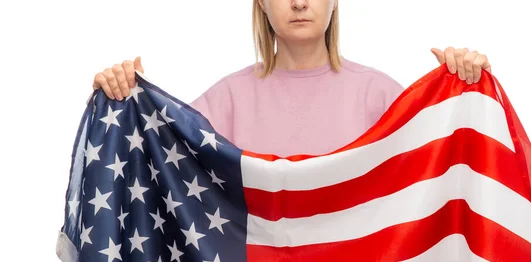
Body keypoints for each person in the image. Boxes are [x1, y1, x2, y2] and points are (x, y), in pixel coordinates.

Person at [92, 0, 492, 157]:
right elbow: (154, 160)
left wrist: (465, 88)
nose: (300, 2)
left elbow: (440, 170)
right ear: (261, 4)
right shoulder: (226, 100)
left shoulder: (380, 95)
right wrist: (121, 100)